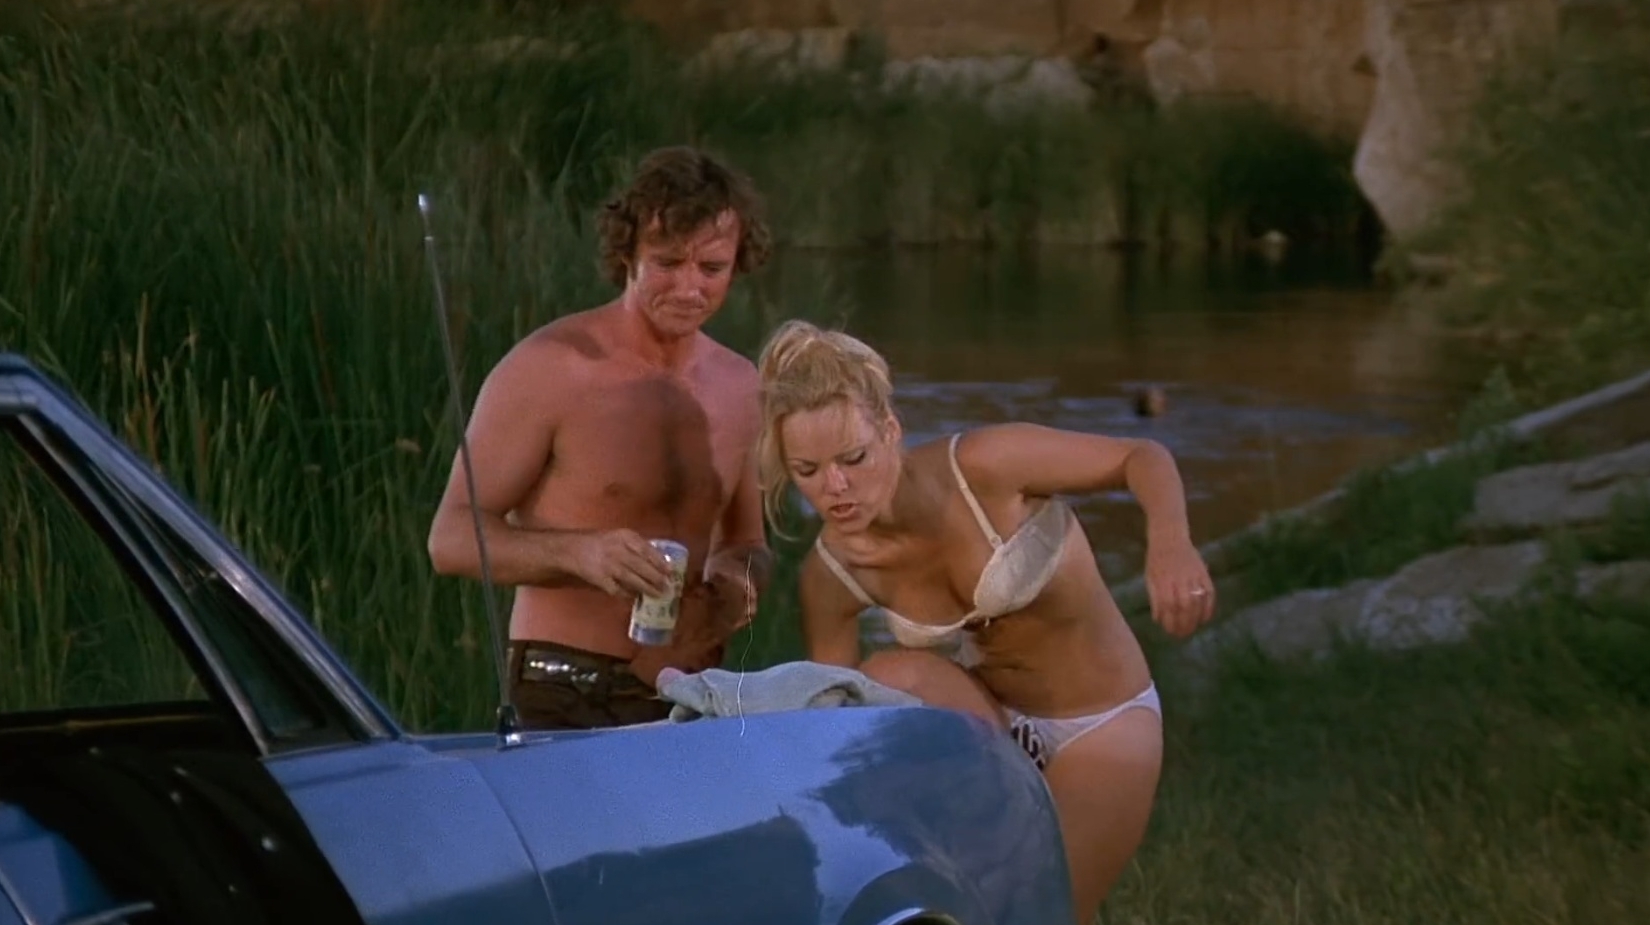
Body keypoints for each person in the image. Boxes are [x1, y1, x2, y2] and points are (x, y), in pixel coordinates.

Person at [753, 319, 1216, 924]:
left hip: (1102, 719)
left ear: (890, 430)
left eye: (854, 458)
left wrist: (1171, 545)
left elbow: (1141, 456)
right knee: (883, 676)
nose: (835, 487)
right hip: (989, 724)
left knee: (1041, 912)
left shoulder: (985, 465)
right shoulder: (833, 573)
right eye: (808, 471)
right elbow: (830, 727)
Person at [427, 146, 776, 731]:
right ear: (627, 254)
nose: (689, 287)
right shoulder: (552, 368)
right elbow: (451, 540)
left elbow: (747, 543)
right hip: (563, 685)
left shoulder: (741, 385)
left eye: (711, 269)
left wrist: (731, 589)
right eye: (667, 263)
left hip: (688, 692)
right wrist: (580, 554)